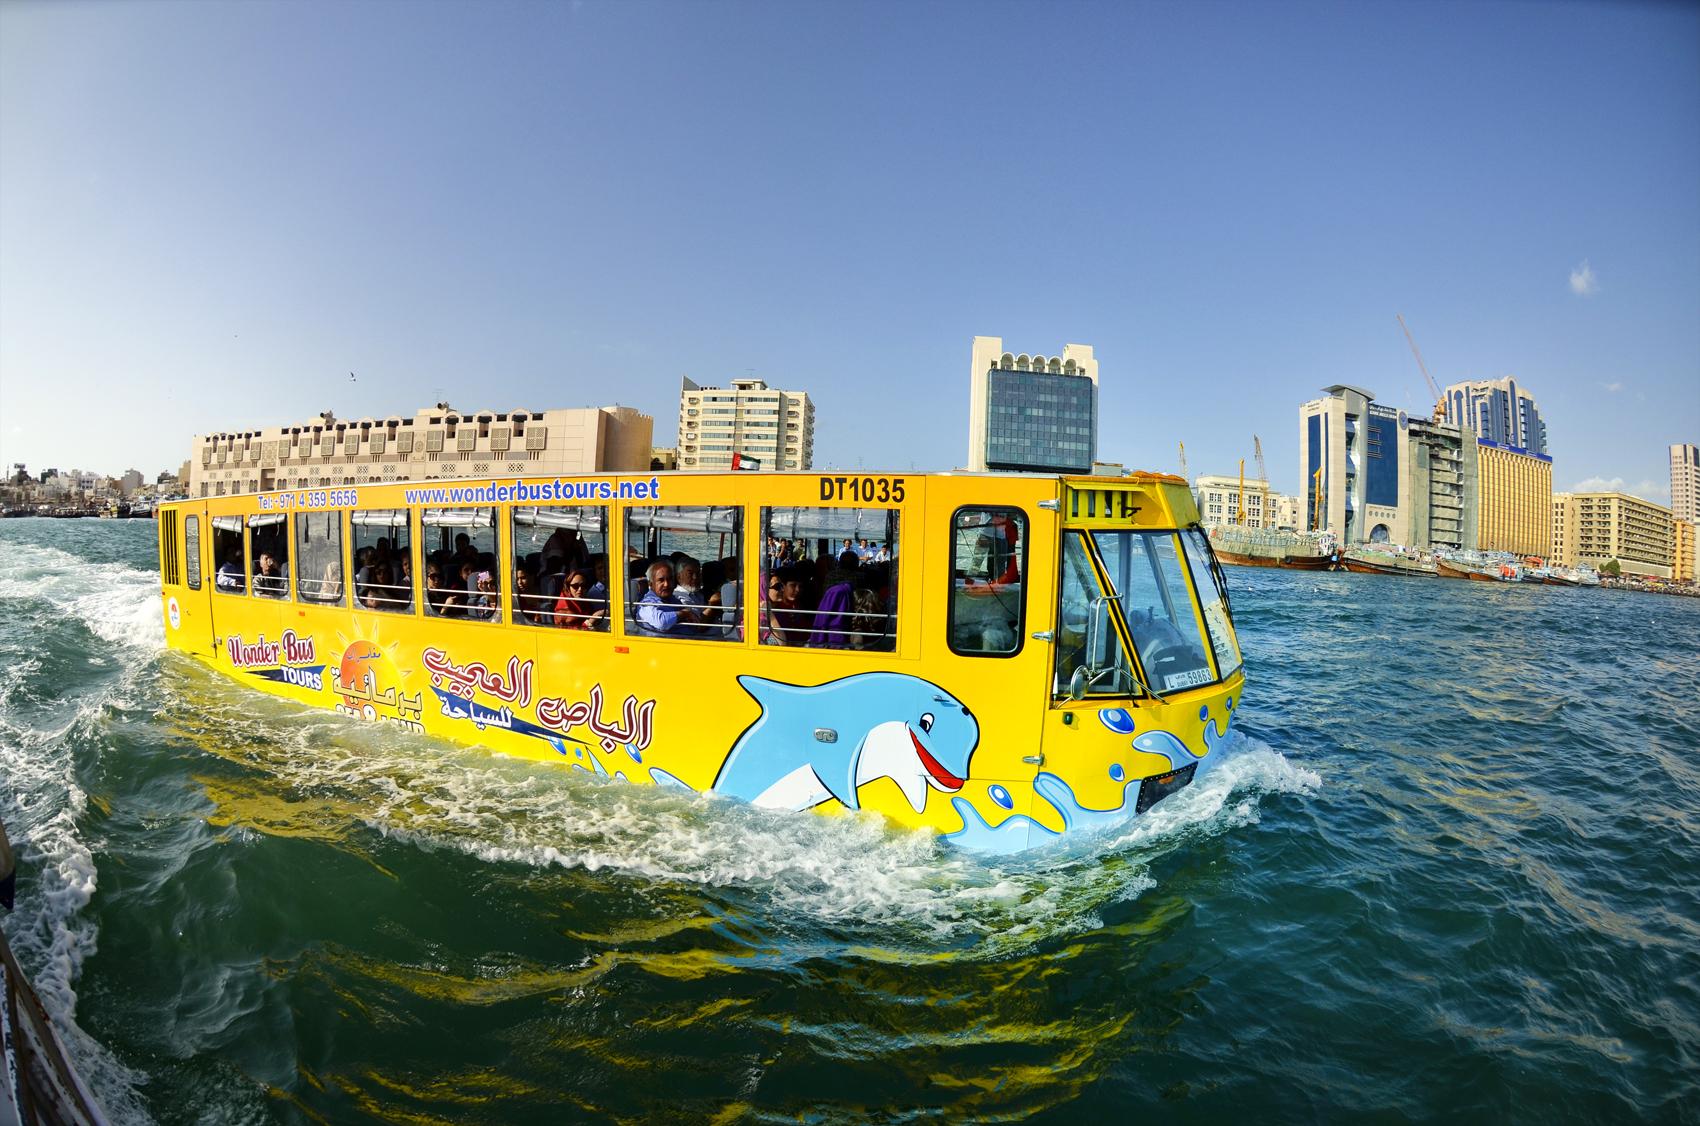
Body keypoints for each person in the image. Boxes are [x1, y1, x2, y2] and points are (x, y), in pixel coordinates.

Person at [635, 560, 705, 636]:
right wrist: (684, 614)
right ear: (651, 583)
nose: (666, 584)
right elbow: (661, 623)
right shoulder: (646, 603)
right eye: (661, 580)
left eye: (670, 579)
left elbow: (692, 622)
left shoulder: (673, 600)